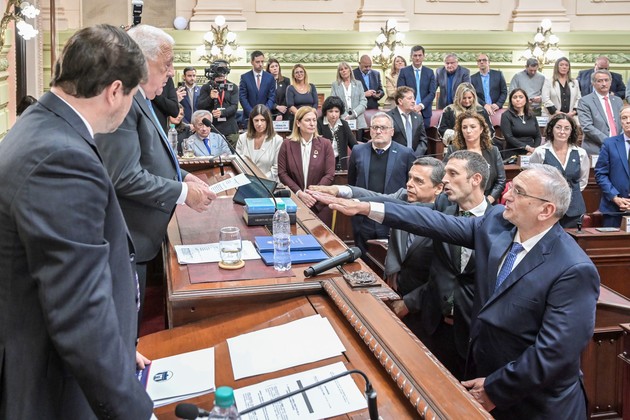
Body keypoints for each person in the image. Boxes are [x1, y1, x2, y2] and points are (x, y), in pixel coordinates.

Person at [324, 163, 600, 420]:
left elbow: (554, 352)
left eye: (518, 192)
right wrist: (366, 208)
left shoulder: (573, 269)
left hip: (537, 404)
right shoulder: (498, 224)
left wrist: (495, 389)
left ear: (546, 210)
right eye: (511, 187)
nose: (506, 196)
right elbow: (435, 221)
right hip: (483, 381)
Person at [0, 24, 153, 418]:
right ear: (115, 91)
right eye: (133, 95)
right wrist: (133, 408)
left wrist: (119, 349)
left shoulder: (43, 124)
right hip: (53, 383)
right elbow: (79, 310)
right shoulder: (62, 157)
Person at [94, 24, 216, 326]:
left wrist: (183, 176)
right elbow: (123, 176)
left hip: (143, 238)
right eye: (167, 64)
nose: (171, 72)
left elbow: (151, 156)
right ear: (142, 61)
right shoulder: (125, 102)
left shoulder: (142, 99)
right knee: (127, 328)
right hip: (129, 240)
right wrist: (183, 193)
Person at [347, 112, 416, 253]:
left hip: (391, 217)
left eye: (383, 128)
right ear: (370, 130)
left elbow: (410, 186)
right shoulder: (358, 151)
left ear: (392, 131)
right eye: (375, 127)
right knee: (362, 259)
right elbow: (352, 182)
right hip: (363, 217)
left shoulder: (405, 153)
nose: (378, 131)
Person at [278, 106, 335, 226]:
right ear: (298, 123)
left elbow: (329, 174)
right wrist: (299, 193)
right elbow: (282, 173)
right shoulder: (287, 144)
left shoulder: (325, 144)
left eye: (314, 120)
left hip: (319, 203)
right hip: (294, 202)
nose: (312, 124)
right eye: (308, 120)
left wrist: (312, 194)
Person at [530, 114, 589, 228]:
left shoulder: (580, 153)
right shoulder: (540, 152)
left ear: (571, 132)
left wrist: (568, 194)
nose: (562, 132)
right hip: (547, 209)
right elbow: (534, 179)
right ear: (551, 129)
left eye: (567, 128)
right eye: (558, 127)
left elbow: (583, 180)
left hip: (574, 210)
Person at [444, 111, 506, 204]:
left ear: (481, 129)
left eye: (473, 127)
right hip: (459, 202)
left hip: (487, 201)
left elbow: (501, 181)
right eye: (464, 127)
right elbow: (445, 176)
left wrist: (488, 201)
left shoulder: (493, 151)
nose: (468, 131)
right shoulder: (453, 150)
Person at [594, 104, 630, 227]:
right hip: (613, 209)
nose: (628, 121)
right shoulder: (609, 144)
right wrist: (615, 197)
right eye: (624, 118)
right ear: (620, 122)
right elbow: (600, 174)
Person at [577, 69, 624, 155]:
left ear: (610, 82)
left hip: (619, 148)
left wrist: (620, 141)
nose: (604, 83)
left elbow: (623, 123)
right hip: (596, 149)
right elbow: (587, 127)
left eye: (606, 80)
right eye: (600, 81)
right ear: (593, 83)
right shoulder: (585, 101)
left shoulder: (618, 101)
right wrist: (610, 142)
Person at [236, 104, 283, 180]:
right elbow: (238, 163)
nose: (259, 124)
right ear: (252, 121)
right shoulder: (242, 138)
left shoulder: (277, 140)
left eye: (263, 120)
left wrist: (260, 180)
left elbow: (276, 168)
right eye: (256, 120)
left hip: (268, 182)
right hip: (246, 181)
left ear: (268, 121)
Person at [397, 45, 437, 129]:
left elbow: (432, 93)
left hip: (425, 112)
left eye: (420, 55)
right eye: (415, 55)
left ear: (423, 56)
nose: (417, 58)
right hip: (407, 110)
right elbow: (400, 92)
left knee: (424, 136)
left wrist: (420, 106)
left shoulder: (429, 72)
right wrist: (413, 106)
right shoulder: (404, 71)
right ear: (411, 56)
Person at [198, 59, 239, 137]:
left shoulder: (233, 87)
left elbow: (234, 106)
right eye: (219, 70)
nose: (221, 73)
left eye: (224, 70)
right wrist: (210, 98)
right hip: (212, 129)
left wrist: (222, 113)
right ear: (213, 70)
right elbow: (200, 106)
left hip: (229, 129)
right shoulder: (206, 87)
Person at [317, 95, 357, 167]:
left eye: (336, 111)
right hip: (322, 164)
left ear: (340, 112)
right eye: (330, 111)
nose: (334, 115)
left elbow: (354, 146)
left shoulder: (344, 124)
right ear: (325, 112)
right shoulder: (318, 123)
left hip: (340, 165)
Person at [387, 86, 428, 156]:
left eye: (414, 98)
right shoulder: (388, 117)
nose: (413, 101)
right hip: (395, 157)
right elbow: (386, 140)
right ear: (400, 101)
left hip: (415, 158)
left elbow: (423, 140)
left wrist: (415, 156)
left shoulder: (418, 117)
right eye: (409, 98)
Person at [330, 62, 368, 135]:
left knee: (359, 141)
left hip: (358, 119)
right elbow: (334, 102)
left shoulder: (358, 84)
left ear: (350, 70)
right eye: (341, 69)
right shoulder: (335, 85)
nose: (344, 71)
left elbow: (363, 101)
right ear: (339, 73)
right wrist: (345, 115)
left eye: (346, 68)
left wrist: (354, 113)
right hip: (342, 119)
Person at [500, 88, 542, 155]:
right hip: (514, 151)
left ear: (526, 100)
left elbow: (538, 136)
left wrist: (534, 150)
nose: (518, 99)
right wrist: (527, 148)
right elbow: (509, 137)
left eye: (521, 97)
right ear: (511, 100)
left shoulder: (531, 115)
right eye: (515, 97)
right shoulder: (506, 115)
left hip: (532, 152)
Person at [239, 50, 276, 124]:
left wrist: (264, 112)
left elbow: (272, 97)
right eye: (257, 62)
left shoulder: (270, 77)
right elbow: (242, 97)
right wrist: (252, 113)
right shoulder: (245, 77)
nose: (260, 64)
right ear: (252, 62)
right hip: (249, 117)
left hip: (265, 117)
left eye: (262, 61)